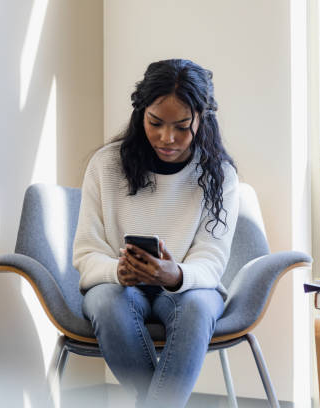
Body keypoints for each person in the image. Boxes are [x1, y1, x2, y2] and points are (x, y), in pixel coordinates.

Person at [72, 59, 239, 408]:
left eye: (181, 126)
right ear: (140, 114)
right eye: (155, 123)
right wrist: (116, 271)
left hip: (189, 287)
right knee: (105, 301)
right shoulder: (105, 165)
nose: (167, 138)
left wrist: (175, 274)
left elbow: (212, 258)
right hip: (118, 286)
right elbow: (87, 253)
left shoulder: (219, 176)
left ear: (202, 118)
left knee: (195, 308)